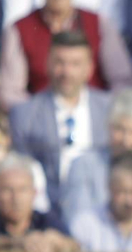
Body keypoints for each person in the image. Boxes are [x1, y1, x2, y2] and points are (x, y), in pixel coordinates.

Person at [8, 32, 114, 209]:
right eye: (60, 63)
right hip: (49, 209)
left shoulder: (110, 110)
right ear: (47, 64)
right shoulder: (25, 115)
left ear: (90, 68)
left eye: (75, 64)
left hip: (102, 207)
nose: (67, 72)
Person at [1, 0, 132, 108]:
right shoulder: (21, 28)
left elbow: (122, 81)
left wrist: (103, 111)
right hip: (42, 117)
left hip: (95, 116)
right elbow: (11, 92)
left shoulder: (97, 23)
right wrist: (37, 115)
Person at [60, 88, 132, 224]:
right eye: (120, 130)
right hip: (94, 242)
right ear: (108, 127)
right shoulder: (83, 165)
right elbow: (77, 219)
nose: (126, 141)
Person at [0, 153, 78, 252]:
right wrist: (16, 243)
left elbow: (75, 245)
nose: (16, 198)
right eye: (7, 190)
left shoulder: (47, 220)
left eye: (22, 189)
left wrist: (57, 242)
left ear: (34, 193)